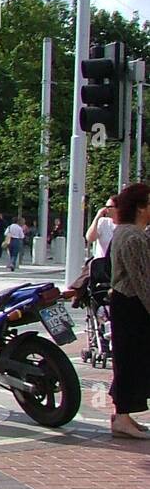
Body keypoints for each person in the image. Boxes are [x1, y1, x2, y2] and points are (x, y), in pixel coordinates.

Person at [106, 183, 150, 438]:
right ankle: (122, 417)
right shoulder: (132, 236)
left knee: (131, 359)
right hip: (132, 305)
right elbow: (142, 279)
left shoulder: (129, 232)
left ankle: (125, 416)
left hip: (129, 304)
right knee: (130, 360)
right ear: (141, 207)